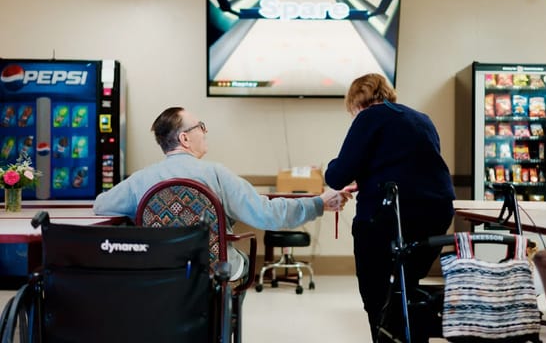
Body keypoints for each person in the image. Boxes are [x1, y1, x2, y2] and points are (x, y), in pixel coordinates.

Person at [94, 106, 351, 281]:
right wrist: (319, 203)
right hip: (213, 269)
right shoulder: (216, 175)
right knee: (239, 263)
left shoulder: (141, 180)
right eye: (200, 127)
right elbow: (269, 215)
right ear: (185, 138)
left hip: (159, 270)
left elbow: (101, 206)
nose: (205, 132)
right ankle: (224, 321)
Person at [324, 73, 455, 342]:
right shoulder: (421, 118)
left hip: (389, 216)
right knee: (406, 289)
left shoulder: (368, 117)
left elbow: (338, 175)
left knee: (377, 296)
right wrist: (369, 181)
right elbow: (414, 168)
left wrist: (333, 168)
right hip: (437, 212)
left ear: (356, 102)